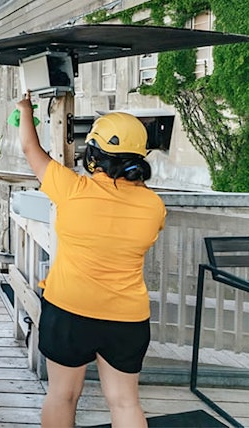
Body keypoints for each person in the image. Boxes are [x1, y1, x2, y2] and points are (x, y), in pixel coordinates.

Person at [16, 93, 166, 428]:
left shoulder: (72, 189)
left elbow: (31, 149)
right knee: (126, 403)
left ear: (94, 154)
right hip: (126, 318)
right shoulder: (153, 206)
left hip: (70, 309)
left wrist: (26, 110)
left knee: (62, 395)